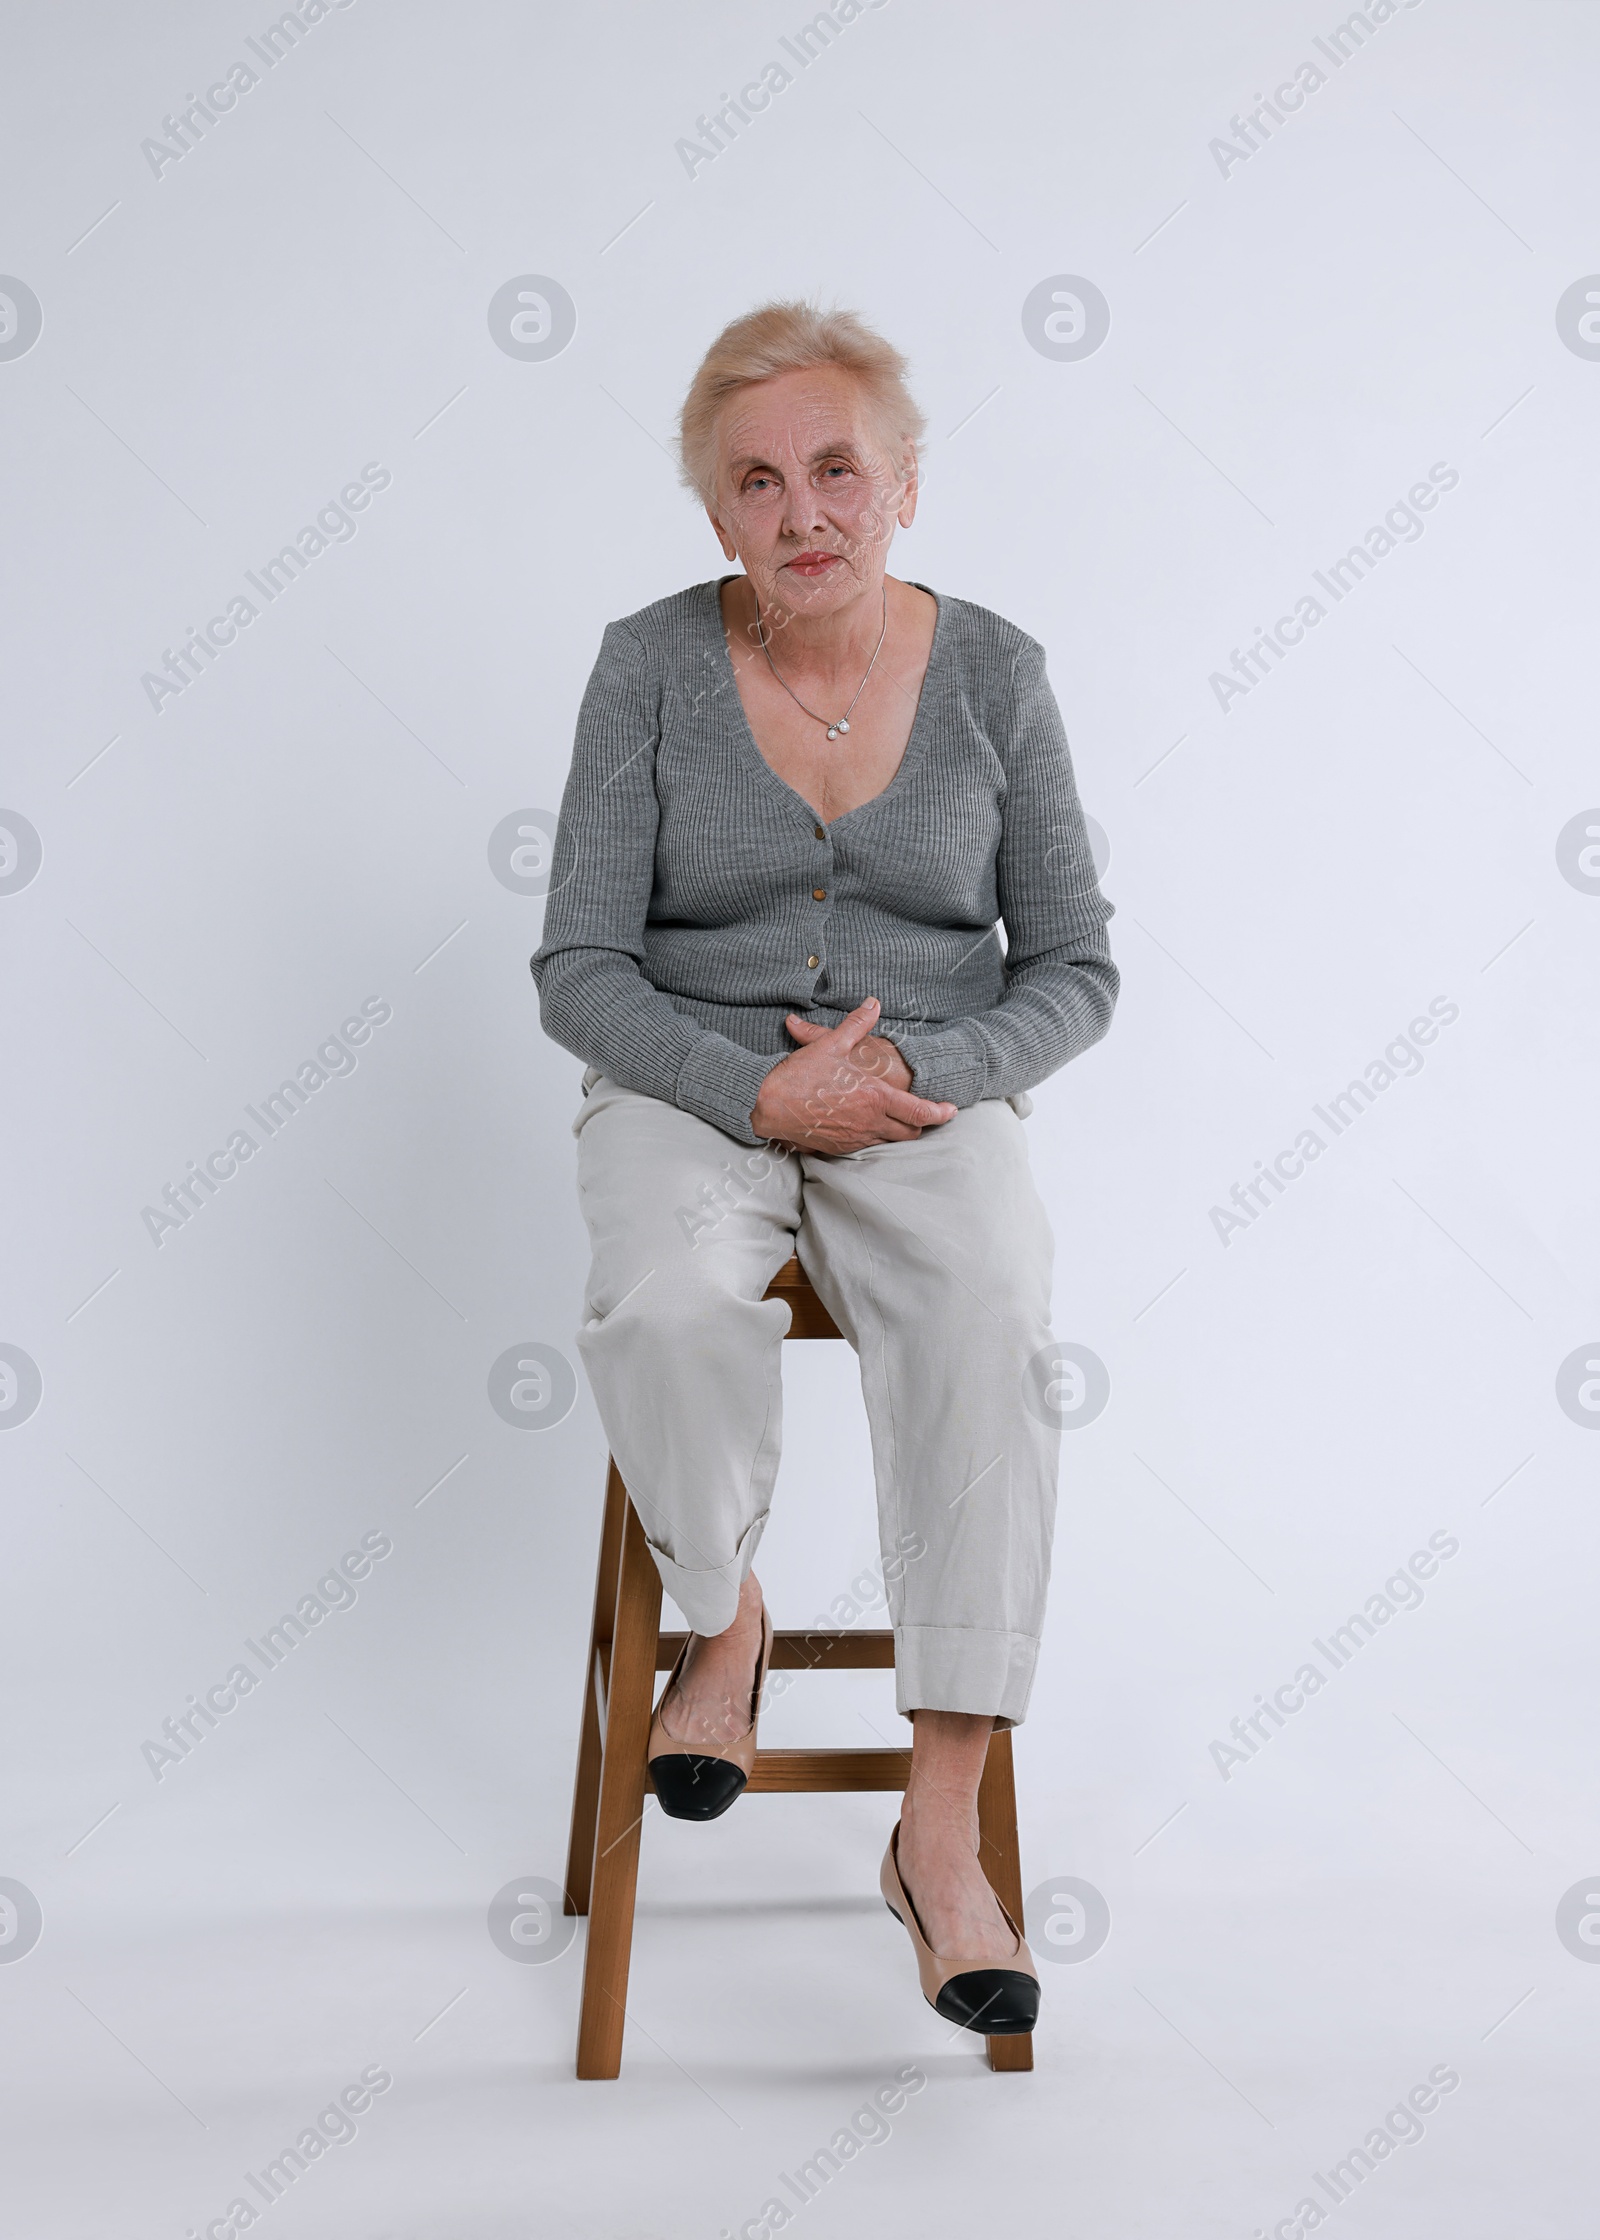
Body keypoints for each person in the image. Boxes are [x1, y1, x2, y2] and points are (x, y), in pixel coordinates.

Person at [532, 300, 1118, 2036]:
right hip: (687, 1094)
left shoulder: (999, 676)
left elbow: (1076, 965)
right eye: (759, 481)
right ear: (718, 517)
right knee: (666, 1302)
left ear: (906, 485)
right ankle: (726, 1620)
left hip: (925, 1105)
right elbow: (577, 965)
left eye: (840, 469)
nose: (806, 511)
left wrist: (912, 1075)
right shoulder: (647, 665)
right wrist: (748, 1092)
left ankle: (936, 1842)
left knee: (993, 1314)